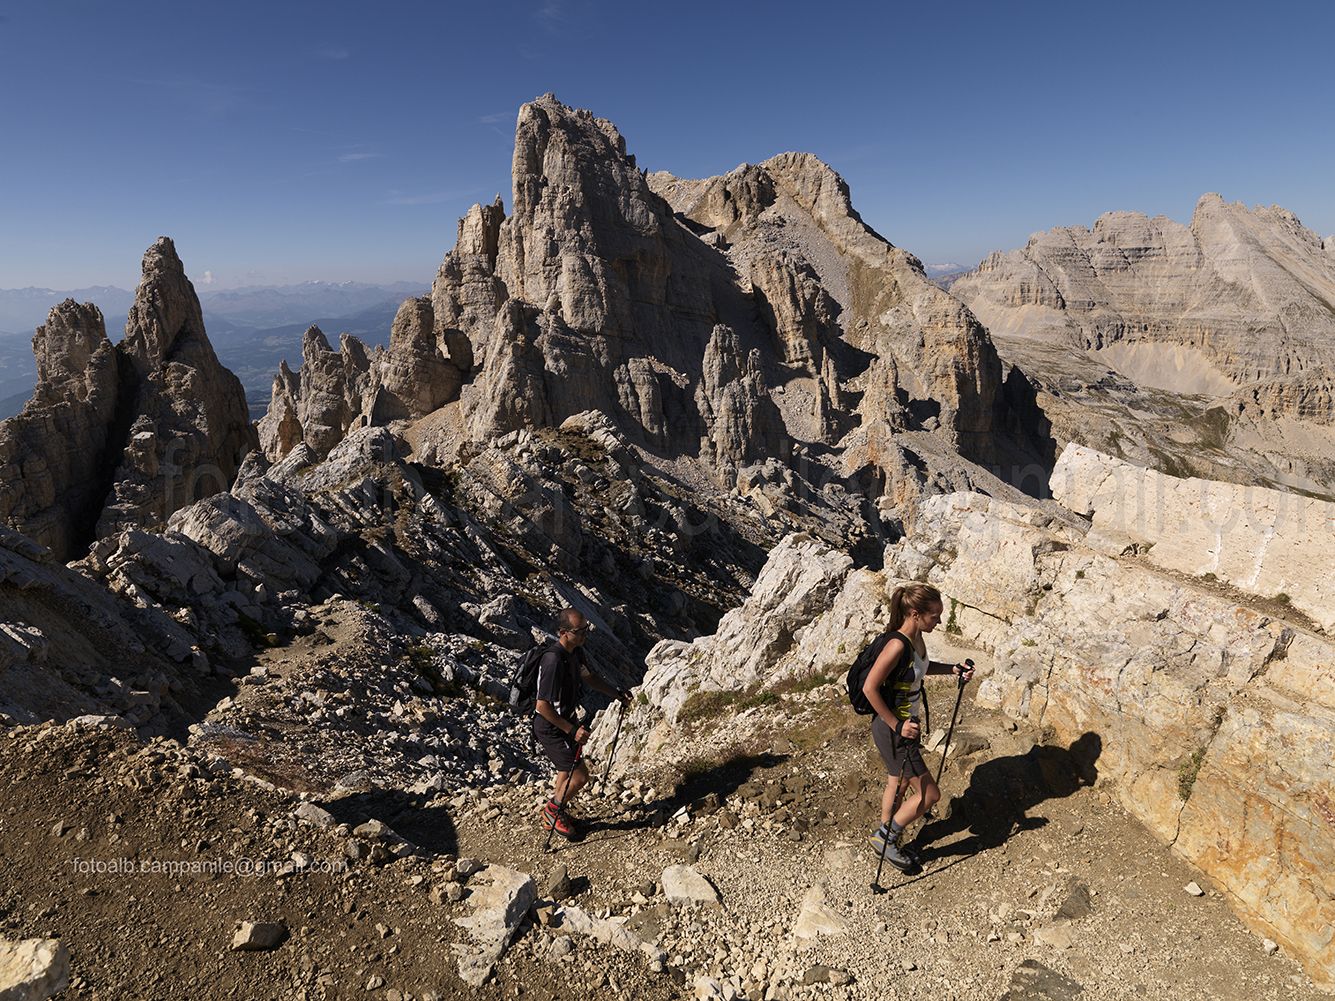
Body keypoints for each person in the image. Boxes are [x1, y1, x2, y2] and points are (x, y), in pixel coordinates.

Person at [862, 583, 974, 871]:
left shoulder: (916, 640)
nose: (938, 620)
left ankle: (886, 837)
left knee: (896, 782)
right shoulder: (897, 644)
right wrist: (897, 726)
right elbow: (869, 688)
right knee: (929, 795)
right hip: (895, 730)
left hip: (895, 728)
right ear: (915, 613)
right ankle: (885, 840)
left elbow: (920, 668)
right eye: (934, 616)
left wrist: (952, 669)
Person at [533, 607, 631, 839]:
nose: (585, 634)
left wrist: (616, 693)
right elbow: (541, 706)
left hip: (566, 721)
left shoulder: (576, 653)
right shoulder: (553, 661)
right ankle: (552, 811)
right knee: (580, 777)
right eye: (580, 630)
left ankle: (556, 811)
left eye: (587, 628)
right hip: (551, 727)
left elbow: (590, 678)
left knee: (565, 772)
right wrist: (572, 730)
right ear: (564, 632)